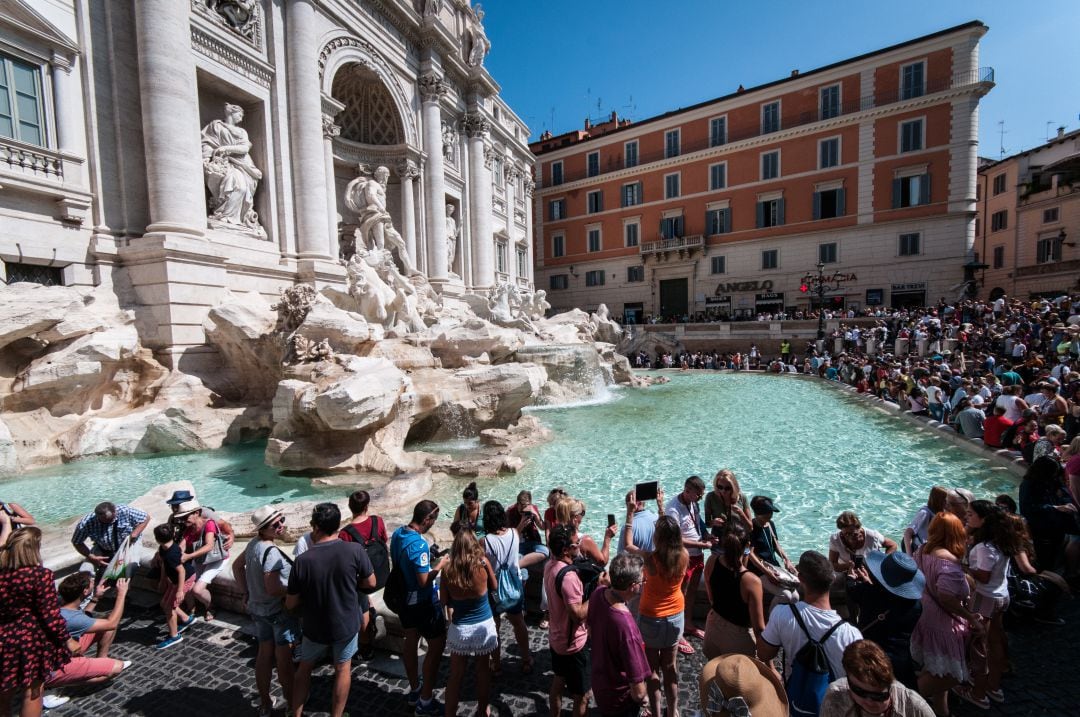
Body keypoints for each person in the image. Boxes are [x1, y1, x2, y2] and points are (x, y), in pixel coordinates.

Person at [286, 503, 375, 717]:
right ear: (338, 526)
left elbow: (290, 604)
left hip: (314, 626)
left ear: (316, 528)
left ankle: (295, 714)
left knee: (304, 668)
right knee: (343, 669)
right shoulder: (354, 550)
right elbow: (371, 582)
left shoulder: (302, 561)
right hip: (344, 624)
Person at [909, 512, 985, 716]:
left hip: (924, 615)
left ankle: (942, 712)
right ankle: (903, 702)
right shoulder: (949, 563)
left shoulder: (923, 550)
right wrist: (970, 617)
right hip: (942, 624)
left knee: (936, 668)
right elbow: (946, 597)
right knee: (950, 674)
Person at [758, 551, 863, 687]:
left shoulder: (782, 614)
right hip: (835, 701)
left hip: (797, 697)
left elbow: (763, 654)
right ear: (833, 579)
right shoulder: (851, 634)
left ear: (800, 578)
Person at [0, 522, 72, 717]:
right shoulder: (39, 576)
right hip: (29, 641)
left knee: (3, 693)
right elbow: (50, 616)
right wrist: (68, 640)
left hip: (3, 638)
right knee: (32, 692)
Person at [622, 505, 688, 717]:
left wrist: (630, 514)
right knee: (670, 667)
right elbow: (670, 533)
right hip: (676, 617)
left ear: (657, 537)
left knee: (652, 670)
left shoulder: (651, 559)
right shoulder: (684, 555)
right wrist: (661, 509)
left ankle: (656, 712)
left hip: (651, 618)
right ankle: (673, 710)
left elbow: (628, 544)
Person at [233, 506, 298, 717]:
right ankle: (291, 705)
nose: (281, 526)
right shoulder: (270, 552)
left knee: (263, 655)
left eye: (282, 520)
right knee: (284, 662)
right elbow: (273, 588)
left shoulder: (253, 544)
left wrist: (246, 592)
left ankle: (265, 703)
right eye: (275, 524)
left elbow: (236, 566)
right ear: (263, 529)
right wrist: (295, 590)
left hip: (258, 610)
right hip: (277, 612)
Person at [390, 500, 449, 715]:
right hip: (422, 603)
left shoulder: (398, 534)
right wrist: (439, 566)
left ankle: (414, 689)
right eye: (434, 519)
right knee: (437, 645)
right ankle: (425, 700)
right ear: (426, 519)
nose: (434, 523)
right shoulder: (419, 544)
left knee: (410, 639)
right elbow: (424, 580)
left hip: (403, 599)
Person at [961, 501, 1022, 708]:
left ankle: (978, 694)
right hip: (1001, 596)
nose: (967, 517)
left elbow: (983, 577)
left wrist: (963, 567)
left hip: (984, 598)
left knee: (979, 648)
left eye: (970, 515)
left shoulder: (984, 548)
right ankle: (994, 687)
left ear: (983, 519)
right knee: (995, 643)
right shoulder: (1002, 540)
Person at [441, 528, 498, 717]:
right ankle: (483, 710)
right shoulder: (482, 563)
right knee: (482, 671)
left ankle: (449, 713)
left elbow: (444, 601)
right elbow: (494, 586)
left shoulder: (448, 570)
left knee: (456, 675)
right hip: (483, 626)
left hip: (460, 629)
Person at [846, 551, 924, 689]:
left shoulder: (870, 593)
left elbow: (853, 591)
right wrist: (870, 584)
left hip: (872, 654)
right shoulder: (916, 605)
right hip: (901, 659)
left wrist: (851, 578)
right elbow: (890, 598)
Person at [587, 553, 651, 717]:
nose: (644, 583)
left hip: (600, 685)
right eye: (642, 581)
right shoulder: (627, 627)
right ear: (632, 586)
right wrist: (643, 697)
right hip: (620, 701)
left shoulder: (598, 593)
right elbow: (638, 692)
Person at [46, 573, 131, 690]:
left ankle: (101, 661)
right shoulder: (72, 618)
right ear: (85, 591)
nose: (93, 583)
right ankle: (56, 684)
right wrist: (121, 594)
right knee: (117, 667)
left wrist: (95, 598)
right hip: (54, 667)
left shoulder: (63, 606)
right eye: (91, 583)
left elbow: (83, 619)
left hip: (64, 650)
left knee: (104, 625)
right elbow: (112, 623)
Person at [544, 524, 592, 717]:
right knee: (582, 695)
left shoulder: (550, 565)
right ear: (566, 549)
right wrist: (597, 593)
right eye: (576, 543)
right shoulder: (569, 577)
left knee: (558, 681)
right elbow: (578, 614)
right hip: (573, 644)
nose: (579, 545)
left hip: (557, 639)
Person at [482, 500, 534, 675]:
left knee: (494, 627)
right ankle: (526, 660)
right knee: (519, 624)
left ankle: (496, 665)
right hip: (514, 585)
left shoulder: (485, 541)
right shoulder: (513, 533)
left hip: (494, 588)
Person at [820, 640, 934, 717]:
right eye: (859, 691)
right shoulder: (835, 697)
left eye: (878, 696)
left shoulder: (914, 708)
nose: (869, 701)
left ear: (890, 685)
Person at [665, 475, 716, 644]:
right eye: (698, 495)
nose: (700, 498)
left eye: (701, 495)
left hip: (697, 555)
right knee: (681, 593)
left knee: (692, 591)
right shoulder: (673, 509)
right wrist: (702, 545)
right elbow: (675, 538)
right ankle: (676, 631)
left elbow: (698, 522)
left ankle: (688, 624)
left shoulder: (693, 502)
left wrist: (707, 535)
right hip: (683, 558)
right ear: (687, 491)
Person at [703, 526, 766, 661]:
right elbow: (759, 628)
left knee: (716, 675)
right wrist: (769, 664)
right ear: (747, 546)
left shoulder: (712, 561)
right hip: (738, 637)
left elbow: (711, 596)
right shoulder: (751, 581)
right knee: (737, 679)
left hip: (713, 626)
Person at [337, 489, 387, 661]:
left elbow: (345, 561)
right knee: (365, 601)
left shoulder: (345, 533)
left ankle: (365, 648)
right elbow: (384, 540)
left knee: (361, 606)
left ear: (350, 507)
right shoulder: (378, 521)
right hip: (381, 575)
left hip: (361, 580)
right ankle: (372, 611)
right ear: (367, 506)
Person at [175, 498, 229, 622]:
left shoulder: (209, 524)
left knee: (197, 590)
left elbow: (209, 545)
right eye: (182, 517)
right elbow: (181, 546)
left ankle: (210, 606)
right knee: (187, 584)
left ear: (197, 513)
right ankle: (192, 608)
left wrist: (189, 556)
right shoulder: (189, 529)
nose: (184, 520)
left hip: (216, 559)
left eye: (186, 516)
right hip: (201, 559)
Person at [70, 501, 150, 578]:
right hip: (103, 547)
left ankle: (122, 588)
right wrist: (91, 556)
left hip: (129, 543)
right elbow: (77, 542)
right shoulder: (86, 523)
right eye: (105, 521)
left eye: (111, 519)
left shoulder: (124, 510)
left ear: (115, 511)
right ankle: (89, 590)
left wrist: (134, 534)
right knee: (85, 571)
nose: (109, 523)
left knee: (129, 569)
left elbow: (145, 517)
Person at [152, 523, 195, 650]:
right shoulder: (163, 549)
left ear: (157, 539)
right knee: (165, 604)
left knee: (169, 608)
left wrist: (180, 591)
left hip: (184, 579)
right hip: (175, 580)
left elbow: (181, 571)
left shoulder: (171, 554)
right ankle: (186, 619)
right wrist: (163, 579)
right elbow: (164, 565)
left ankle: (174, 636)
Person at [747, 495, 799, 598]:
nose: (769, 516)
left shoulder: (770, 524)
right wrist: (768, 573)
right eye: (766, 513)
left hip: (773, 565)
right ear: (757, 513)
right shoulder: (751, 528)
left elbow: (776, 545)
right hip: (759, 570)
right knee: (786, 596)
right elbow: (750, 554)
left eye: (770, 512)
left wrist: (786, 560)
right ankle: (774, 614)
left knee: (795, 596)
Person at [828, 511, 898, 576]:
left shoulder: (872, 536)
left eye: (854, 534)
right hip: (846, 571)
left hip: (871, 572)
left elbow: (893, 545)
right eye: (846, 534)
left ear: (859, 528)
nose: (850, 537)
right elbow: (832, 564)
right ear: (841, 531)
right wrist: (847, 566)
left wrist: (883, 563)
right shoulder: (835, 539)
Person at [704, 469, 752, 543]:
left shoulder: (742, 498)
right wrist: (713, 522)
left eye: (727, 488)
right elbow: (707, 524)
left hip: (739, 542)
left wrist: (741, 514)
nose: (723, 491)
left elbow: (750, 528)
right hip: (719, 542)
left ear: (733, 486)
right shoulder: (711, 497)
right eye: (720, 487)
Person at [902, 487, 948, 555]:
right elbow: (908, 533)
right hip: (916, 549)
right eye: (946, 500)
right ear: (940, 500)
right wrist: (909, 555)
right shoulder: (924, 513)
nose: (948, 503)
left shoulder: (940, 513)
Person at [618, 489, 662, 555]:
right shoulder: (658, 519)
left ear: (629, 504)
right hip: (656, 563)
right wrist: (661, 506)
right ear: (642, 502)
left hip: (637, 564)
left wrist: (629, 513)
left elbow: (621, 555)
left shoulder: (627, 529)